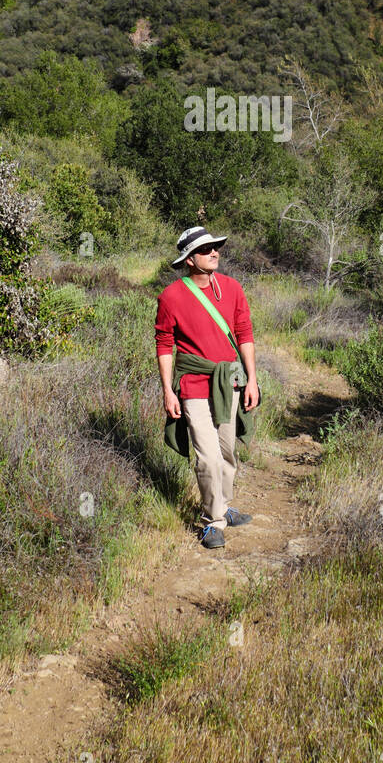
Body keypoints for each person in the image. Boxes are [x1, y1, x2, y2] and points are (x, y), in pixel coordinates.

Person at [155, 226, 260, 549]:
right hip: (193, 383)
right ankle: (212, 521)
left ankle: (224, 507)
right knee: (208, 457)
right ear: (189, 259)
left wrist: (252, 380)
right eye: (205, 250)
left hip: (230, 380)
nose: (214, 253)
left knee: (227, 451)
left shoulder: (232, 288)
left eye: (215, 247)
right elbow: (164, 345)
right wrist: (168, 391)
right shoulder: (171, 297)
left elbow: (244, 334)